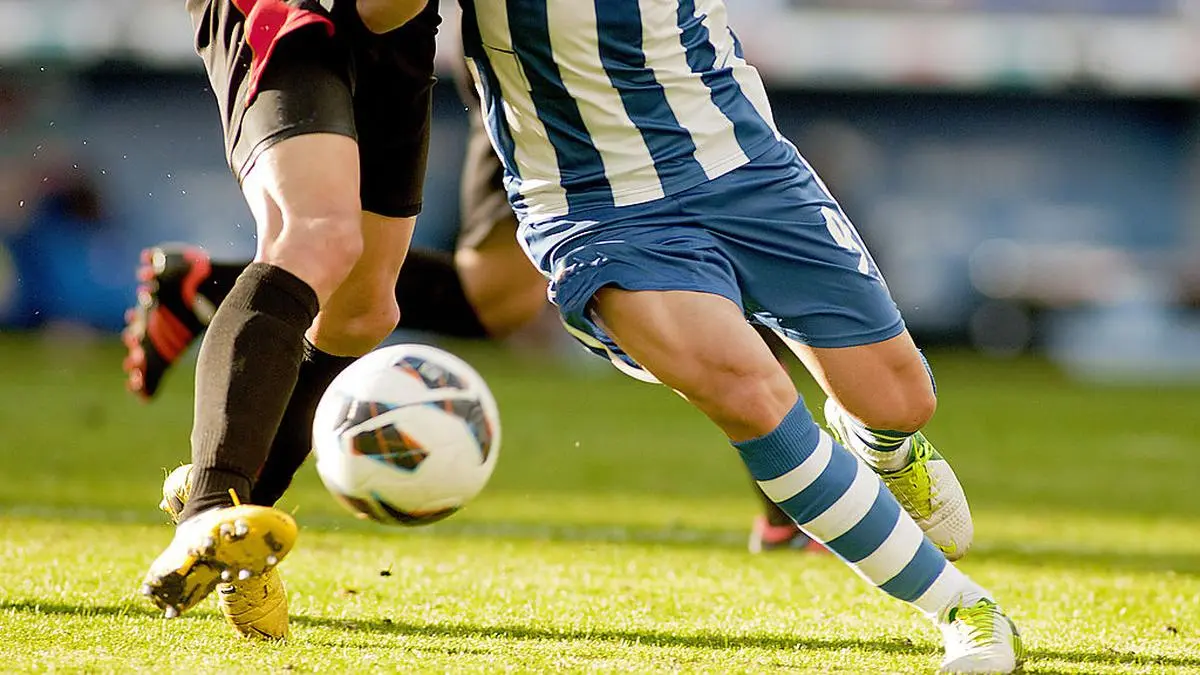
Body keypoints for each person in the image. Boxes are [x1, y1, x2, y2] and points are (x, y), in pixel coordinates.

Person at [450, 1, 1022, 672]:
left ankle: (882, 442)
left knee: (899, 399)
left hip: (738, 159)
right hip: (594, 205)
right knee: (751, 393)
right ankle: (963, 609)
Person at [124, 63, 820, 555]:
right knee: (713, 225)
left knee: (496, 296)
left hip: (592, 59)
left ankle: (210, 287)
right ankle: (792, 510)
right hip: (582, 60)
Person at [138, 0, 440, 640]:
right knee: (315, 235)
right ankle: (210, 507)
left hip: (398, 22)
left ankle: (237, 529)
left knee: (361, 313)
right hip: (290, 9)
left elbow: (384, 15)